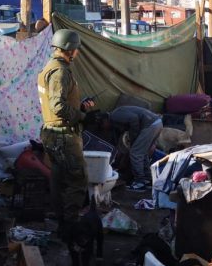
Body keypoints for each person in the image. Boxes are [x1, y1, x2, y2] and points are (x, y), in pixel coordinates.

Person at [38, 28, 94, 235]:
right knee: (77, 180)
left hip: (52, 132)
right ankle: (70, 225)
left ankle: (62, 224)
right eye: (76, 49)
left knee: (59, 180)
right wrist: (82, 116)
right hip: (63, 135)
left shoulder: (49, 68)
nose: (77, 52)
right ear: (69, 49)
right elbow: (58, 106)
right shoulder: (60, 72)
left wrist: (80, 107)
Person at [101, 106, 163, 191]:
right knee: (143, 152)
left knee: (135, 153)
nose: (104, 128)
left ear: (105, 120)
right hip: (157, 123)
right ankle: (148, 180)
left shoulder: (115, 115)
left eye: (102, 125)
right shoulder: (117, 117)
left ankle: (140, 182)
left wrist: (134, 138)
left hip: (150, 125)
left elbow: (134, 119)